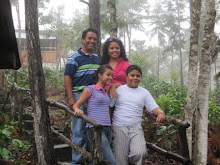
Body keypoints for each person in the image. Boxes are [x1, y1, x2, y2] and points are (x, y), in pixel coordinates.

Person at [110, 65, 166, 165]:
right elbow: (110, 107)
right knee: (120, 160)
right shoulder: (118, 90)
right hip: (119, 127)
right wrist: (110, 124)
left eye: (138, 76)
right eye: (132, 75)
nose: (135, 78)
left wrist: (161, 113)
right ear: (126, 77)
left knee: (140, 153)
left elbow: (153, 107)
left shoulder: (144, 92)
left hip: (136, 128)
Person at [64, 28, 100, 165]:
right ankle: (77, 162)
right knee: (78, 130)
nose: (92, 41)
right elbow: (67, 77)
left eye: (94, 39)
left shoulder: (96, 58)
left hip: (93, 98)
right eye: (89, 38)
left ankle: (91, 159)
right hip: (78, 96)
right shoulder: (74, 57)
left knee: (91, 129)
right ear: (83, 39)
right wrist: (71, 99)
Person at [73, 65, 116, 165]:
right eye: (108, 75)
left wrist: (111, 124)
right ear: (100, 75)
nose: (110, 77)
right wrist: (77, 110)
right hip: (95, 129)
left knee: (101, 160)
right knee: (111, 160)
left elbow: (106, 110)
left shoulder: (106, 92)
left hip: (107, 129)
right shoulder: (90, 89)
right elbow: (76, 105)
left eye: (112, 75)